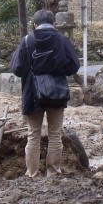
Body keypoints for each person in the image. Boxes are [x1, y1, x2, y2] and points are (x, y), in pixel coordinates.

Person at [10, 9, 80, 177]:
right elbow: (74, 67)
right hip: (57, 92)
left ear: (34, 24)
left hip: (32, 94)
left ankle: (32, 173)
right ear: (54, 23)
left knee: (33, 135)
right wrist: (57, 69)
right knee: (55, 134)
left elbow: (17, 69)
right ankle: (53, 172)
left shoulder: (27, 41)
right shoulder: (62, 41)